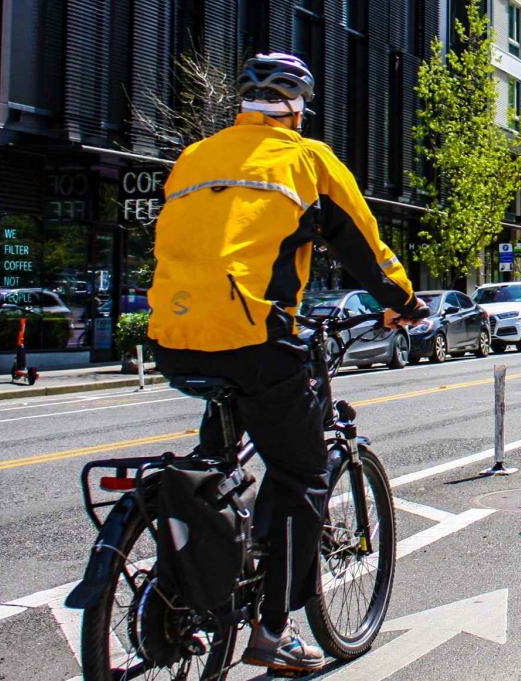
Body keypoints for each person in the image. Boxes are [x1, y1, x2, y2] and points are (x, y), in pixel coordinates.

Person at [147, 52, 426, 674]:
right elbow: (362, 243)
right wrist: (404, 303)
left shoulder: (195, 156)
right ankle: (271, 631)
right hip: (256, 338)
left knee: (219, 459)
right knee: (300, 473)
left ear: (243, 105)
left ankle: (190, 576)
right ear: (297, 108)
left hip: (172, 335)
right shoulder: (308, 160)